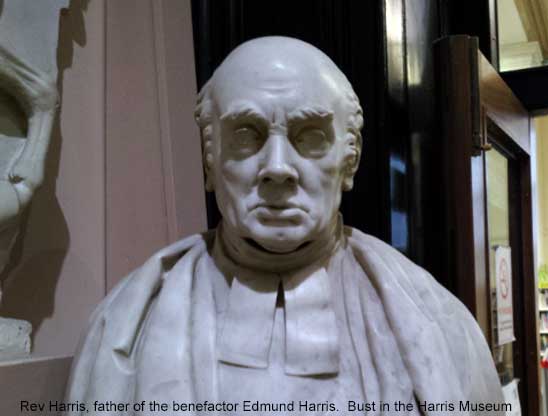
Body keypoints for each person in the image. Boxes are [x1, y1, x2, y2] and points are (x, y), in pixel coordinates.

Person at [64, 37, 504, 415]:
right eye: (246, 135)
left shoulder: (442, 327)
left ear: (348, 161)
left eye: (310, 136)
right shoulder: (122, 328)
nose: (278, 169)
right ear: (210, 159)